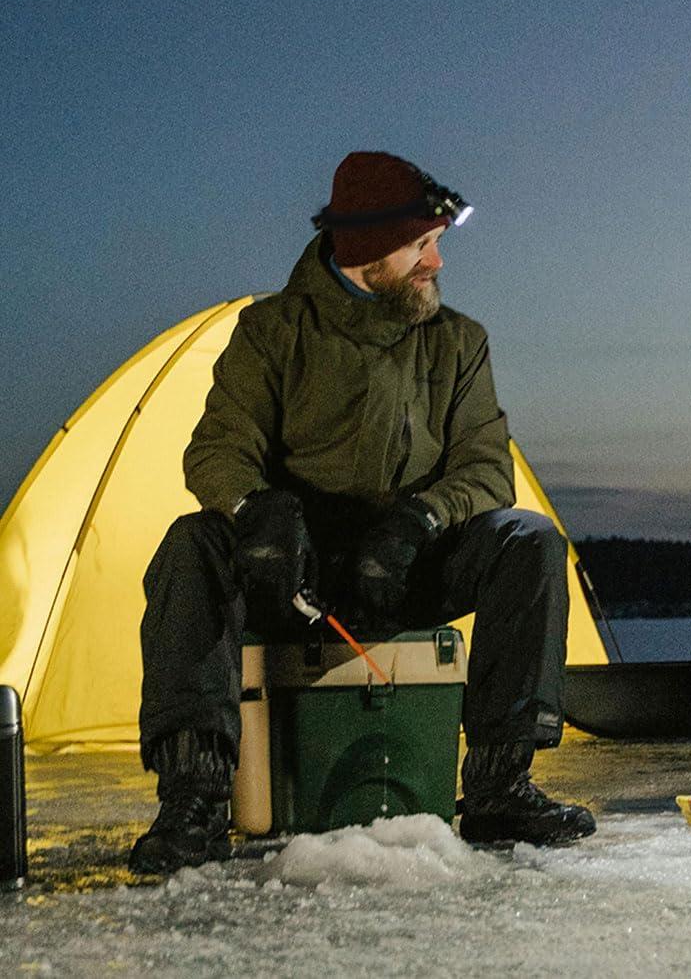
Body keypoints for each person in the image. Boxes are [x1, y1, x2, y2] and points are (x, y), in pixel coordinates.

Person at [129, 152, 595, 876]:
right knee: (192, 544)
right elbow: (217, 449)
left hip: (405, 565)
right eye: (421, 245)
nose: (437, 262)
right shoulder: (271, 332)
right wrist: (257, 511)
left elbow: (486, 468)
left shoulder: (458, 341)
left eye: (437, 243)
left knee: (528, 540)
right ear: (369, 249)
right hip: (296, 577)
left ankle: (501, 785)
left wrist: (420, 521)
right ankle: (194, 799)